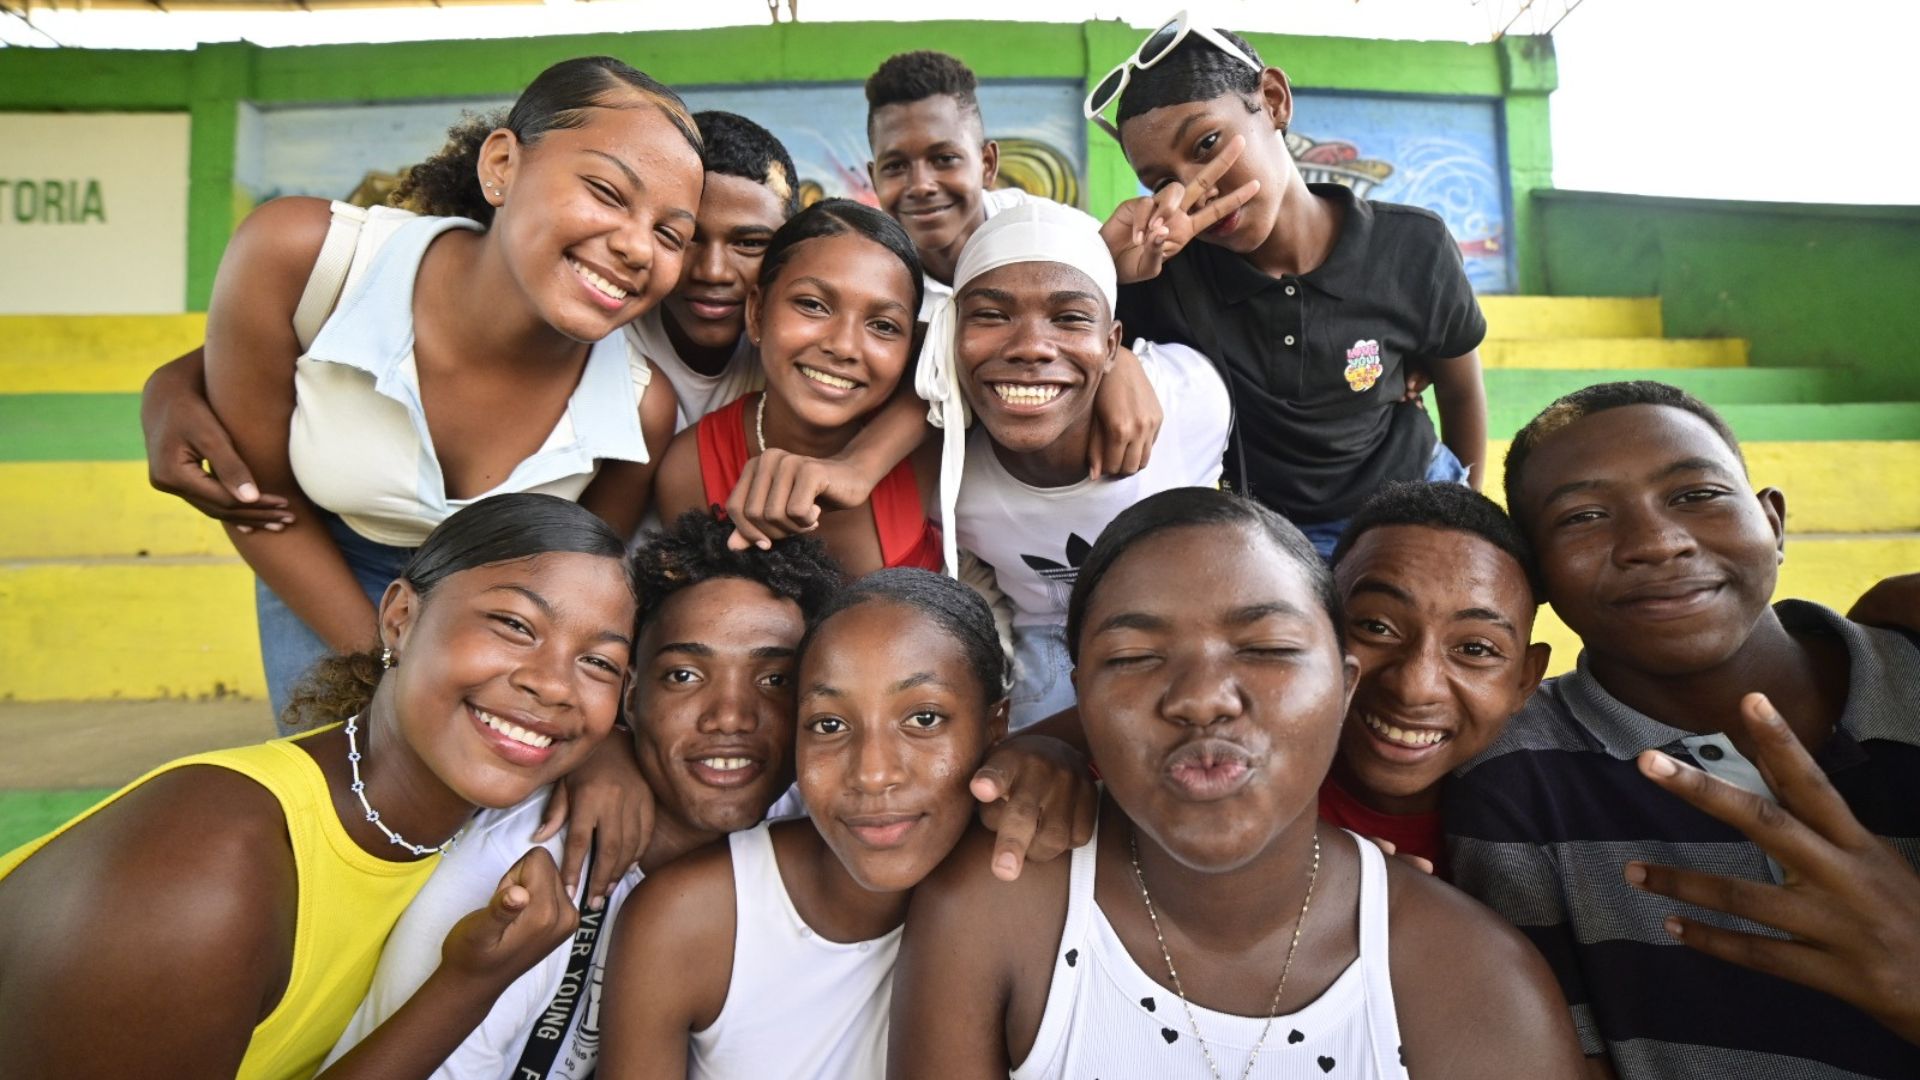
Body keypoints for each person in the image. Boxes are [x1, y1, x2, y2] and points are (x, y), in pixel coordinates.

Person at [891, 487, 1585, 1079]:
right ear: (1084, 696)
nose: (1203, 698)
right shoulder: (996, 905)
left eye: (1267, 649)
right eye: (1134, 656)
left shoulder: (1479, 980)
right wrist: (1040, 749)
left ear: (1343, 685)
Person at [0, 493, 639, 1078]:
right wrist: (469, 984)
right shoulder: (204, 875)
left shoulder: (476, 818)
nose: (554, 684)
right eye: (515, 625)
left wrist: (610, 753)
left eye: (598, 663)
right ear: (400, 618)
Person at [1445, 380, 1920, 1079]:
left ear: (1774, 523)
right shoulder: (1514, 776)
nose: (1656, 543)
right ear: (1538, 577)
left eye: (1697, 495)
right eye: (1583, 516)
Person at [201, 56, 694, 723]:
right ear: (502, 166)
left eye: (670, 234)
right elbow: (258, 500)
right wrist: (387, 664)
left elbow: (572, 587)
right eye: (607, 192)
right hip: (317, 564)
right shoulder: (306, 258)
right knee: (343, 776)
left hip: (511, 618)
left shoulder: (638, 409)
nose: (638, 247)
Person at [322, 510, 842, 1079]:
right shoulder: (510, 876)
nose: (730, 717)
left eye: (776, 681)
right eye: (684, 675)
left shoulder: (817, 828)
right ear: (630, 696)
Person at [713, 51, 1170, 551]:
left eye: (944, 159)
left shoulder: (1052, 234)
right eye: (896, 166)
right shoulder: (880, 275)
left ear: (987, 163)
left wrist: (1121, 364)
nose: (922, 185)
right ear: (874, 177)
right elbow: (931, 373)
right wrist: (855, 469)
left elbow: (1087, 326)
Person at [1090, 17, 1489, 555]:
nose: (1194, 191)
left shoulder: (1413, 245)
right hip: (1272, 540)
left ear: (1274, 101)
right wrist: (1105, 280)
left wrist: (1468, 517)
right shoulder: (1161, 276)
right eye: (1163, 182)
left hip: (1415, 504)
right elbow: (1075, 343)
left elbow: (1460, 391)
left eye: (1207, 144)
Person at [599, 568, 1012, 1078]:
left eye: (923, 719)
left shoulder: (1039, 887)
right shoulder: (687, 920)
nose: (872, 773)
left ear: (996, 727)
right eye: (829, 724)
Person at [918, 198, 1231, 726]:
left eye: (1068, 318)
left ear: (1111, 345)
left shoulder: (1189, 401)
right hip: (1045, 644)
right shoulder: (939, 467)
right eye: (991, 315)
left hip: (1187, 630)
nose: (1031, 347)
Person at [653, 199, 944, 576]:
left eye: (883, 326)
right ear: (757, 312)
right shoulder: (691, 467)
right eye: (813, 305)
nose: (843, 346)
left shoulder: (928, 434)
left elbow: (956, 343)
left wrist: (857, 468)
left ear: (910, 347)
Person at [1317, 482, 1550, 871]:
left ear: (1526, 679)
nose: (1413, 688)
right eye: (1376, 627)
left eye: (1474, 649)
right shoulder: (1243, 802)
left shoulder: (1551, 821)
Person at [629, 110, 796, 430]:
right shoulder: (605, 341)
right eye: (687, 237)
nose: (713, 272)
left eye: (749, 243)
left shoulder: (807, 352)